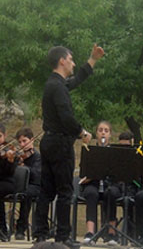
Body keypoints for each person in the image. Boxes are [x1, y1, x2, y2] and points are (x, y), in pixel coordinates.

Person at [33, 43, 105, 246]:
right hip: (60, 143)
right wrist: (81, 132)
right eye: (71, 59)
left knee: (46, 190)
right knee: (65, 191)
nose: (73, 63)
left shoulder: (54, 84)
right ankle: (63, 237)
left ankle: (40, 234)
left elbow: (77, 79)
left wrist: (93, 60)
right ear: (62, 61)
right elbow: (66, 116)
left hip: (49, 141)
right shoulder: (57, 87)